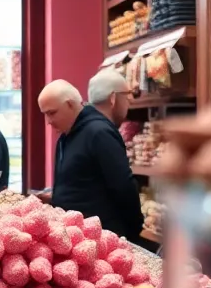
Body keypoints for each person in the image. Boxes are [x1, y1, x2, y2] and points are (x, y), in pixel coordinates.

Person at [37, 76, 145, 243]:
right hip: (77, 237)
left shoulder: (99, 132)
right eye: (45, 114)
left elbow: (123, 185)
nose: (48, 121)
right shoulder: (66, 136)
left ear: (71, 104)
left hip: (102, 238)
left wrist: (133, 228)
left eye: (52, 113)